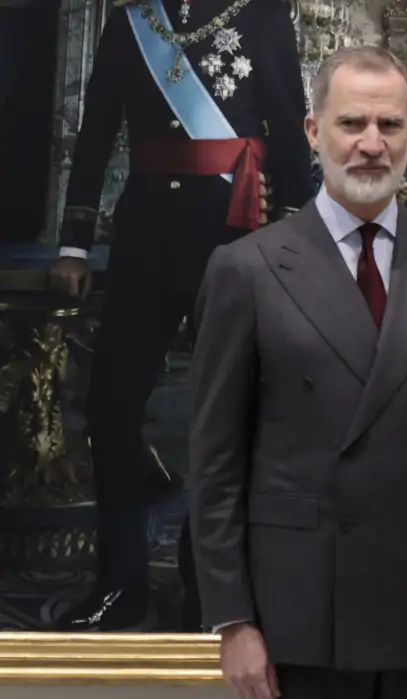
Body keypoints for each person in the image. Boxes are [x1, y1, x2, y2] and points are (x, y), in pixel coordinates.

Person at [187, 46, 407, 699]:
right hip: (299, 618)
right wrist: (233, 619)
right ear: (314, 132)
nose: (371, 144)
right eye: (351, 124)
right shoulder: (245, 269)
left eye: (389, 125)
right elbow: (214, 464)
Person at [47, 0, 315, 631]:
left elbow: (287, 125)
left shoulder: (264, 16)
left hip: (234, 236)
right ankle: (119, 585)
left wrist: (301, 242)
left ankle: (209, 589)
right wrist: (74, 240)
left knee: (228, 418)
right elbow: (95, 130)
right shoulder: (132, 19)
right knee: (111, 408)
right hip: (143, 237)